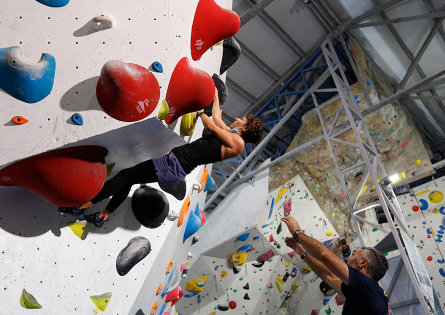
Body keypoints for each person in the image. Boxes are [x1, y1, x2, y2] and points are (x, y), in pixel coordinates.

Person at [59, 88, 264, 227]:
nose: (237, 119)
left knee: (125, 175)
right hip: (175, 164)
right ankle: (104, 215)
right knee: (128, 178)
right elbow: (217, 116)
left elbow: (210, 124)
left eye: (241, 119)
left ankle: (82, 206)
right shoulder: (230, 134)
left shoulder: (237, 143)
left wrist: (200, 112)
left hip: (175, 165)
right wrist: (215, 92)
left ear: (245, 128)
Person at [281, 216, 389, 315]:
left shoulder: (369, 290)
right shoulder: (364, 292)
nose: (347, 258)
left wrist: (296, 233)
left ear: (363, 263)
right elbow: (328, 276)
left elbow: (325, 255)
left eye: (353, 255)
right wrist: (301, 251)